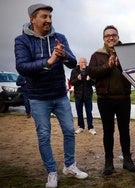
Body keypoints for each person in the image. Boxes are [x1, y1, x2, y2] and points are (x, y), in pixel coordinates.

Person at [14, 4, 88, 188]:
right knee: (44, 135)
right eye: (44, 17)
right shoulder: (22, 41)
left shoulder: (59, 37)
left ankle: (70, 166)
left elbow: (72, 63)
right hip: (38, 97)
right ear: (32, 18)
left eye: (50, 17)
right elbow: (22, 67)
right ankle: (51, 172)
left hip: (60, 95)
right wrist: (48, 61)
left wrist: (63, 56)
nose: (49, 20)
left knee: (70, 131)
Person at [88, 25, 135, 175]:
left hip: (124, 98)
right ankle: (108, 162)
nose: (111, 37)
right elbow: (92, 72)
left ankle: (127, 160)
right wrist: (107, 66)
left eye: (113, 35)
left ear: (118, 36)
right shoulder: (97, 55)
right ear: (104, 39)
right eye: (107, 35)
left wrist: (121, 63)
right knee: (108, 131)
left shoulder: (128, 52)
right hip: (105, 99)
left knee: (125, 131)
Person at [70, 57, 96, 135]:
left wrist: (90, 79)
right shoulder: (74, 71)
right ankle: (81, 127)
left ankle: (91, 128)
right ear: (79, 63)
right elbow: (72, 82)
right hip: (78, 95)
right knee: (79, 112)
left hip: (88, 94)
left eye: (85, 62)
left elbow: (94, 82)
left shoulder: (90, 70)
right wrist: (77, 79)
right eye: (82, 62)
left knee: (89, 112)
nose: (84, 64)